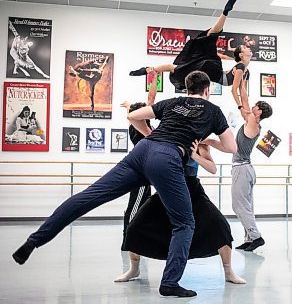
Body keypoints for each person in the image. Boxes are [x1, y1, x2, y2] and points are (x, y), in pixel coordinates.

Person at [12, 70, 237, 298]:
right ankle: (169, 283)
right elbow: (232, 148)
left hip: (143, 151)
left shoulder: (173, 102)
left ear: (187, 88)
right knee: (185, 224)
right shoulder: (213, 111)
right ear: (207, 90)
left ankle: (33, 241)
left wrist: (149, 134)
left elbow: (133, 116)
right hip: (167, 158)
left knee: (90, 196)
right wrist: (208, 140)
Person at [121, 140, 246, 284]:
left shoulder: (199, 142)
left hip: (192, 189)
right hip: (167, 187)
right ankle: (134, 269)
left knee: (221, 227)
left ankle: (228, 271)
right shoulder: (167, 138)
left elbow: (212, 169)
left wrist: (195, 156)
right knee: (134, 227)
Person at [130, 0, 252, 109]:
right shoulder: (241, 66)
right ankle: (225, 12)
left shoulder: (243, 68)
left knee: (208, 38)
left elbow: (242, 91)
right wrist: (241, 107)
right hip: (213, 71)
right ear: (241, 55)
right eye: (246, 48)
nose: (249, 48)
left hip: (212, 69)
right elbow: (235, 90)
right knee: (177, 65)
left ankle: (225, 12)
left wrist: (245, 107)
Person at [205, 93, 272, 252]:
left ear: (259, 112)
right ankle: (249, 239)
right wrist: (207, 141)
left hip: (242, 169)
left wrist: (241, 84)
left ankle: (256, 237)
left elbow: (245, 105)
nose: (252, 108)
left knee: (238, 206)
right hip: (243, 168)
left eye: (255, 107)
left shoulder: (254, 124)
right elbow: (227, 148)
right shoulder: (249, 125)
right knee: (247, 207)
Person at [113, 74, 158, 282]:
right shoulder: (143, 129)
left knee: (138, 208)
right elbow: (149, 101)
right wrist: (153, 77)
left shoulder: (138, 124)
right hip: (141, 175)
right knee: (134, 209)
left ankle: (134, 239)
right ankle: (129, 240)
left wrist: (153, 78)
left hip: (144, 173)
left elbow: (146, 102)